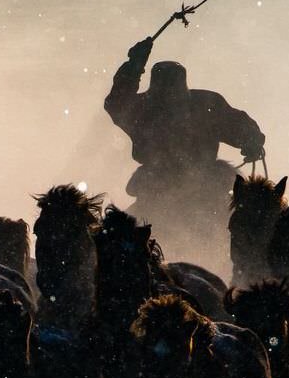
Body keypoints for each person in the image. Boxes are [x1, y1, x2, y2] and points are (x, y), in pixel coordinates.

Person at [103, 36, 266, 262]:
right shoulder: (206, 105)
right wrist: (252, 140)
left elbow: (117, 102)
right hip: (174, 190)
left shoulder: (143, 108)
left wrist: (134, 65)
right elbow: (238, 125)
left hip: (178, 190)